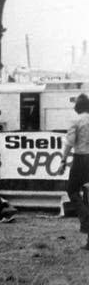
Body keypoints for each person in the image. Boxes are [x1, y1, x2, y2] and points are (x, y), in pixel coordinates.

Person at [58, 93, 89, 249]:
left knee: (72, 190)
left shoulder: (76, 120)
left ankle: (85, 217)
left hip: (81, 159)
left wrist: (63, 160)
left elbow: (70, 143)